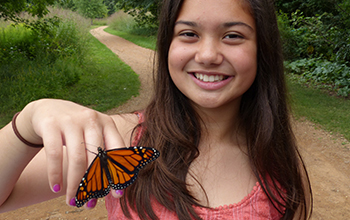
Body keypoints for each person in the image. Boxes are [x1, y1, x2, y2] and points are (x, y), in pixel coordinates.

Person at [0, 0, 312, 219]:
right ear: (167, 45)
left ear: (262, 49)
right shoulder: (120, 139)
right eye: (189, 33)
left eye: (233, 36)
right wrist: (27, 123)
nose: (207, 55)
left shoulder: (275, 158)